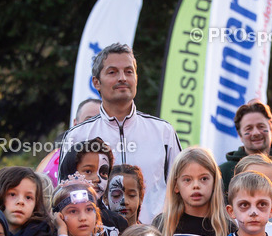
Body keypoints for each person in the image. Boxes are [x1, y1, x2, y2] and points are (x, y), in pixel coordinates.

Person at [59, 43, 183, 223]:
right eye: (112, 72)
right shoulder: (77, 136)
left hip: (153, 235)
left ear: (136, 79)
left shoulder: (163, 132)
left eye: (128, 71)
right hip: (96, 235)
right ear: (96, 82)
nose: (122, 78)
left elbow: (181, 188)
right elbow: (63, 196)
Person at [218, 101, 272, 196]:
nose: (256, 133)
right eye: (249, 128)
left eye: (261, 126)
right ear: (240, 135)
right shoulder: (223, 173)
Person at [57, 138, 129, 236]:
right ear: (70, 172)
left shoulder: (117, 223)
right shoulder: (55, 219)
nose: (97, 179)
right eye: (88, 171)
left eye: (103, 172)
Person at [106, 164, 144, 228]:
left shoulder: (148, 233)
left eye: (131, 195)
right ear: (105, 198)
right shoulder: (98, 233)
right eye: (116, 195)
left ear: (141, 197)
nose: (124, 201)